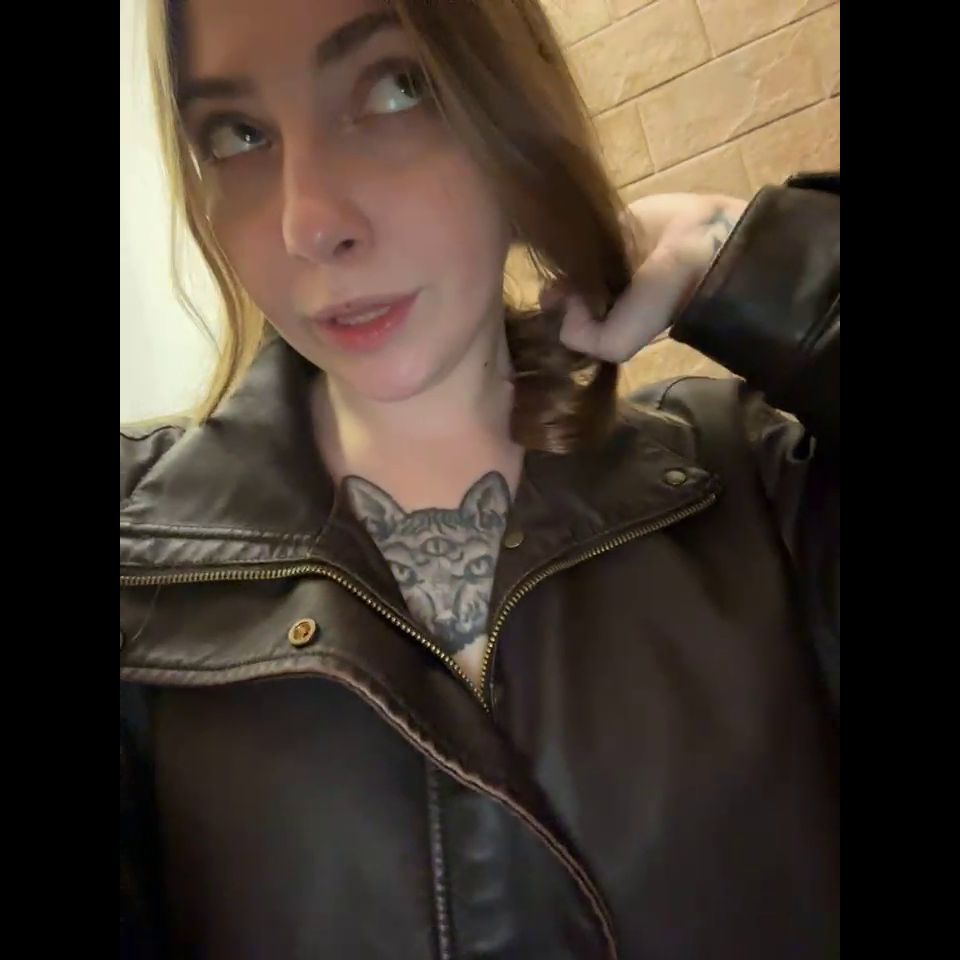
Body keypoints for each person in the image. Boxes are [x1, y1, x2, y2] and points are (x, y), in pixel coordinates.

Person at [120, 0, 840, 956]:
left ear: (511, 104)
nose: (308, 222)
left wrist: (762, 261)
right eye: (238, 133)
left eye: (394, 87)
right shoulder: (142, 569)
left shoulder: (750, 487)